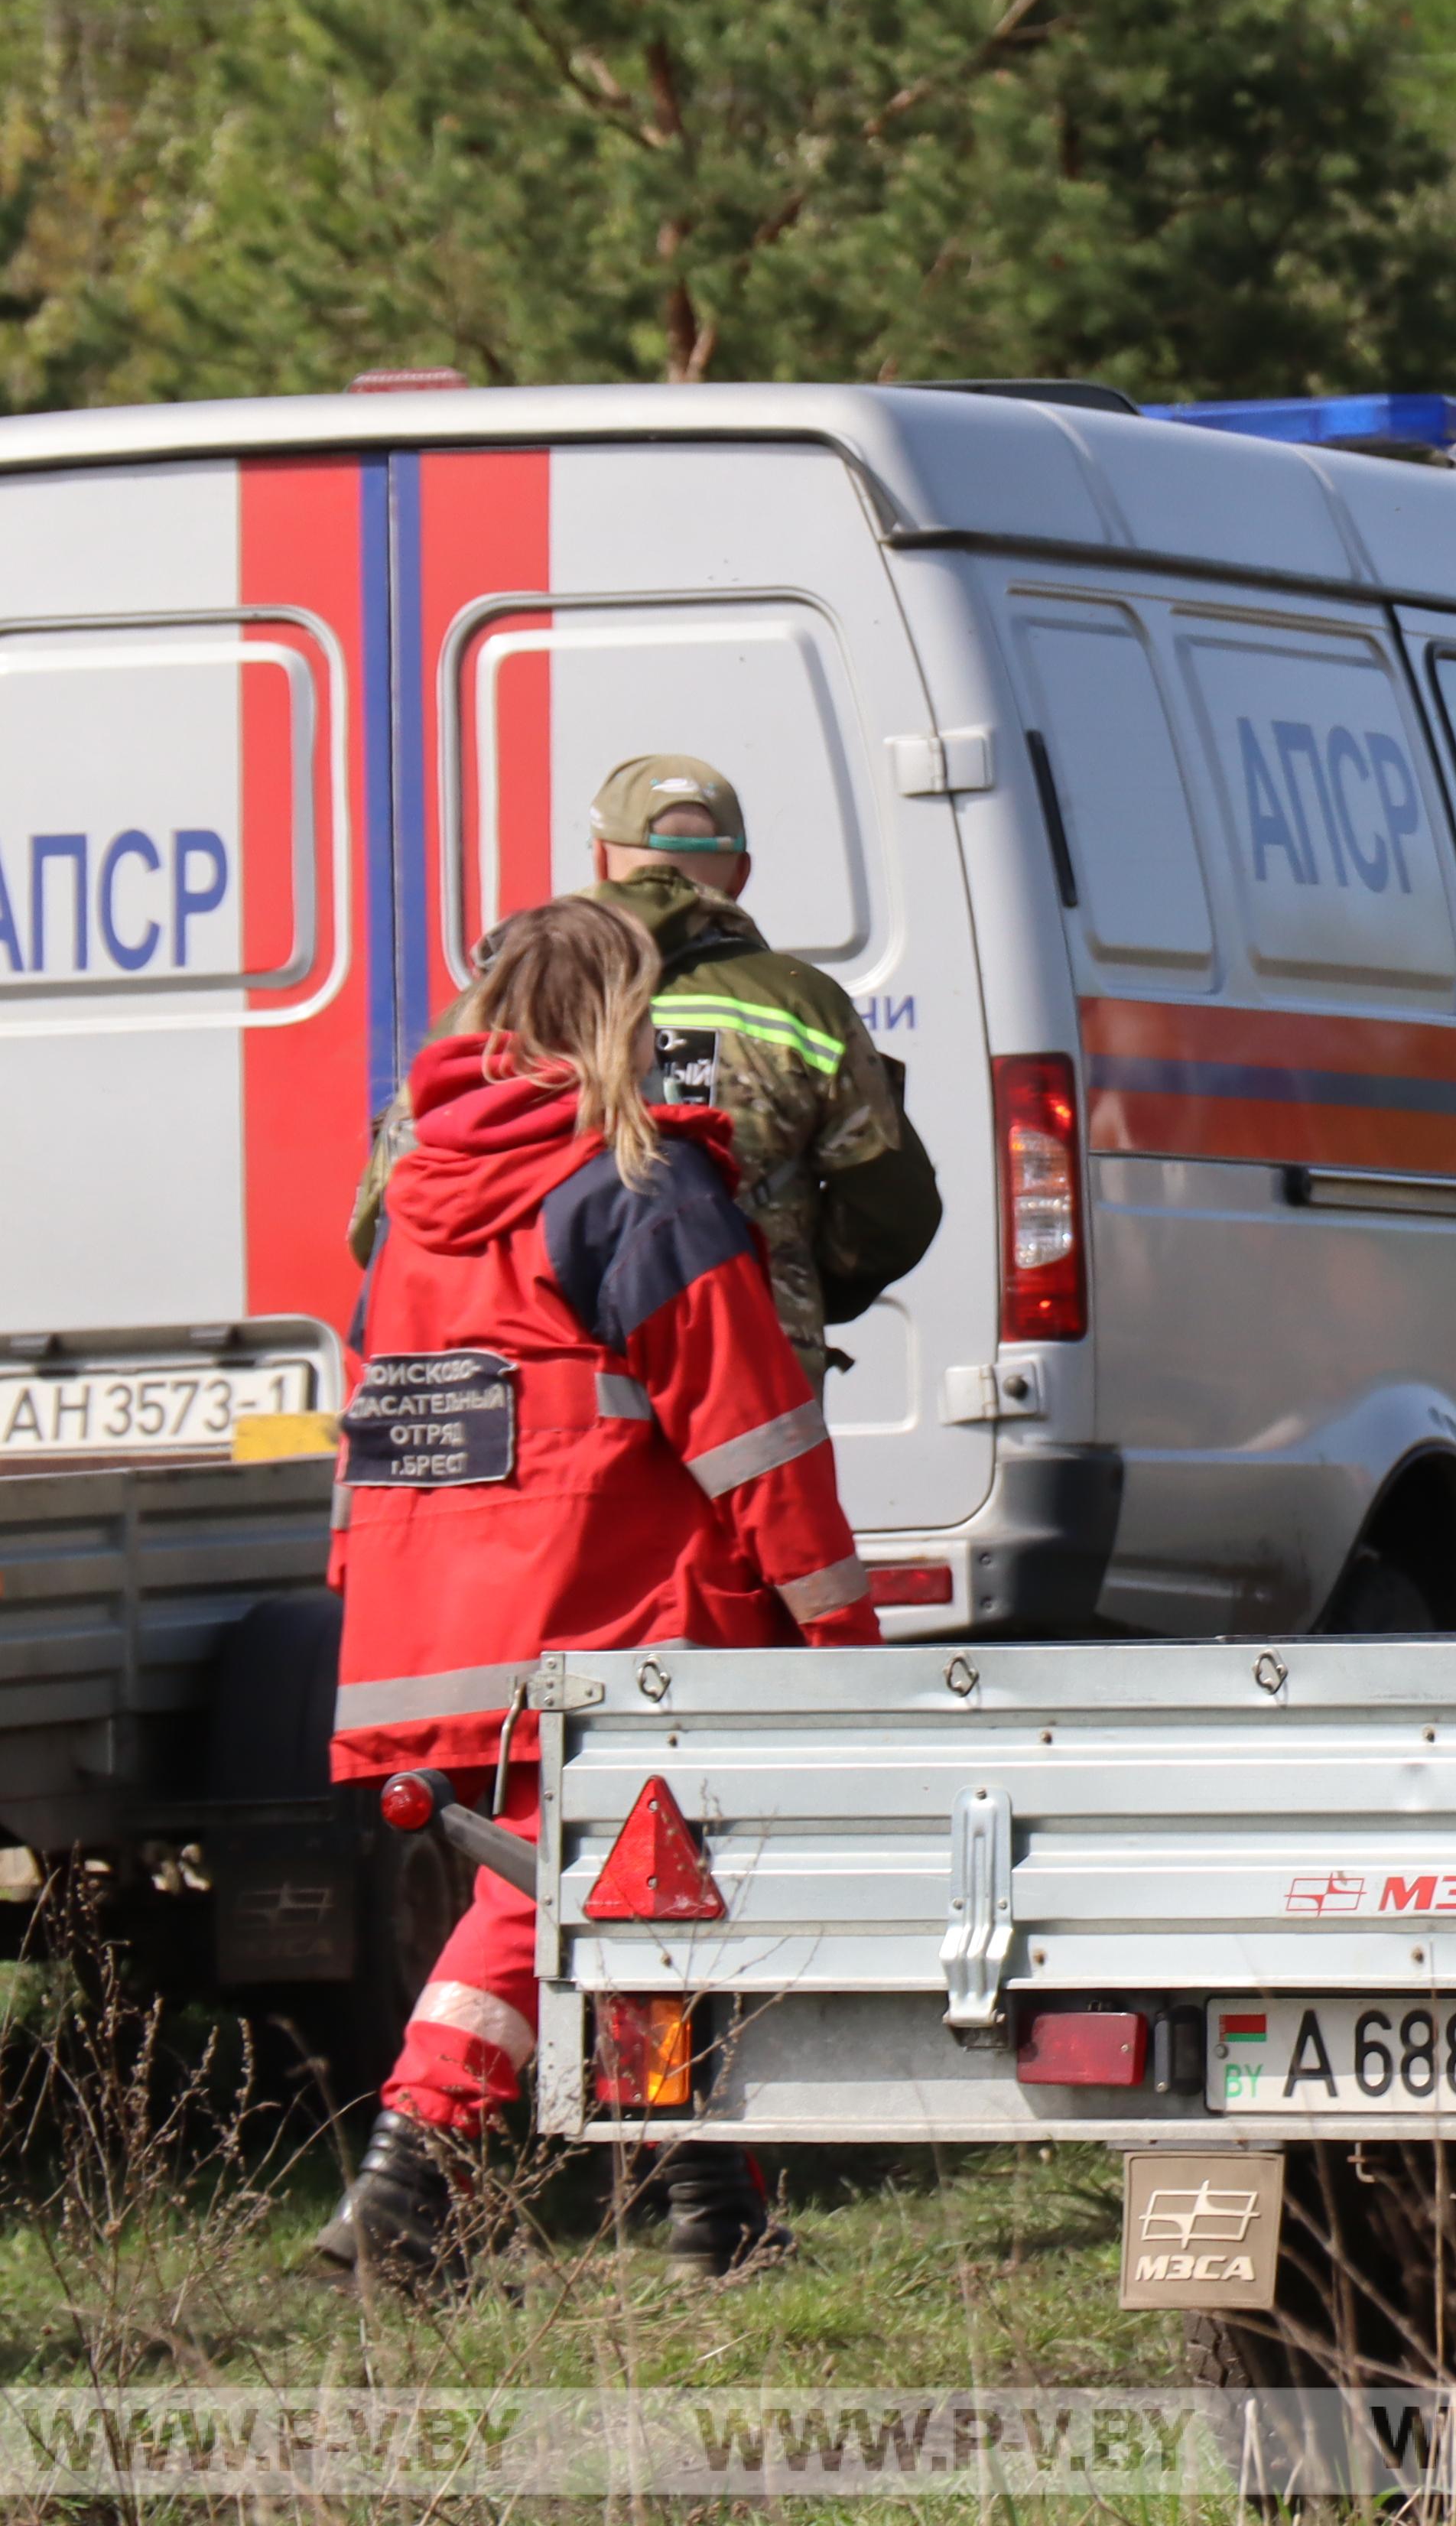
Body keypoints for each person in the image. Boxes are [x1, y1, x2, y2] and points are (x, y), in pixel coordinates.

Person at [315, 895, 882, 2293]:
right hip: (620, 1615)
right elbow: (751, 1430)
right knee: (560, 1895)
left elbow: (374, 1427)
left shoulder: (414, 1204)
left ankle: (717, 2209)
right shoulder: (638, 1186)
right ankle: (404, 2185)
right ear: (624, 1020)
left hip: (436, 1625)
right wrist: (842, 1631)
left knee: (641, 1901)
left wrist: (360, 1595)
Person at [353, 753, 938, 1380]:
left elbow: (385, 1219)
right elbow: (892, 1210)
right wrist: (792, 1285)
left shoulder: (494, 1002)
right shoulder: (802, 1005)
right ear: (740, 875)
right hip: (743, 1377)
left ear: (602, 860)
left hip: (539, 1389)